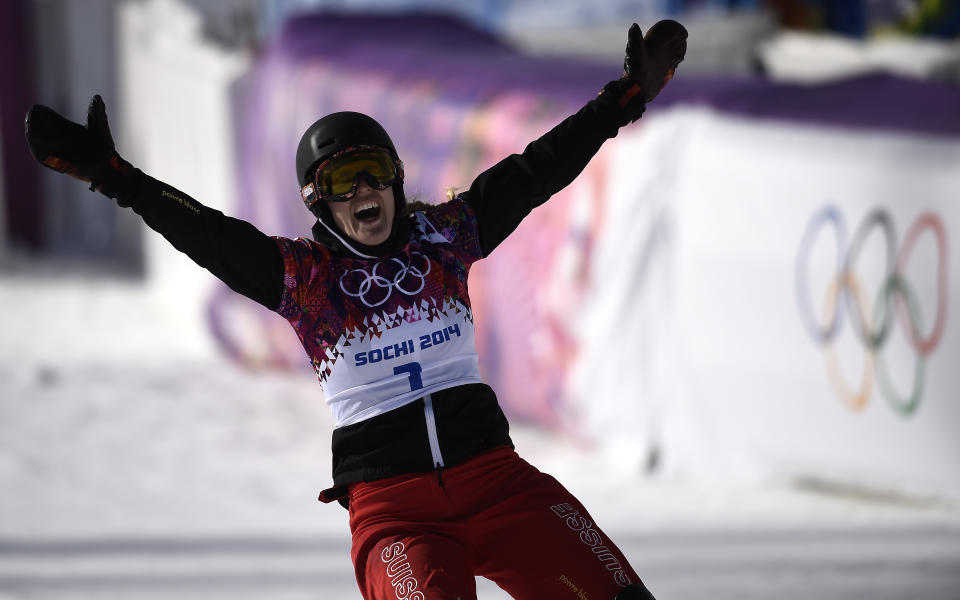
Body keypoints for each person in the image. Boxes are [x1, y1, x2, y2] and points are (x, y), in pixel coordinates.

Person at [25, 19, 687, 600]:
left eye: (373, 171)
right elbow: (209, 235)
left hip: (501, 485)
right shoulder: (304, 278)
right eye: (342, 182)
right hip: (397, 513)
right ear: (319, 203)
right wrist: (115, 177)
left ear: (397, 179)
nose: (363, 190)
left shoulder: (448, 236)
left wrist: (620, 101)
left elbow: (538, 168)